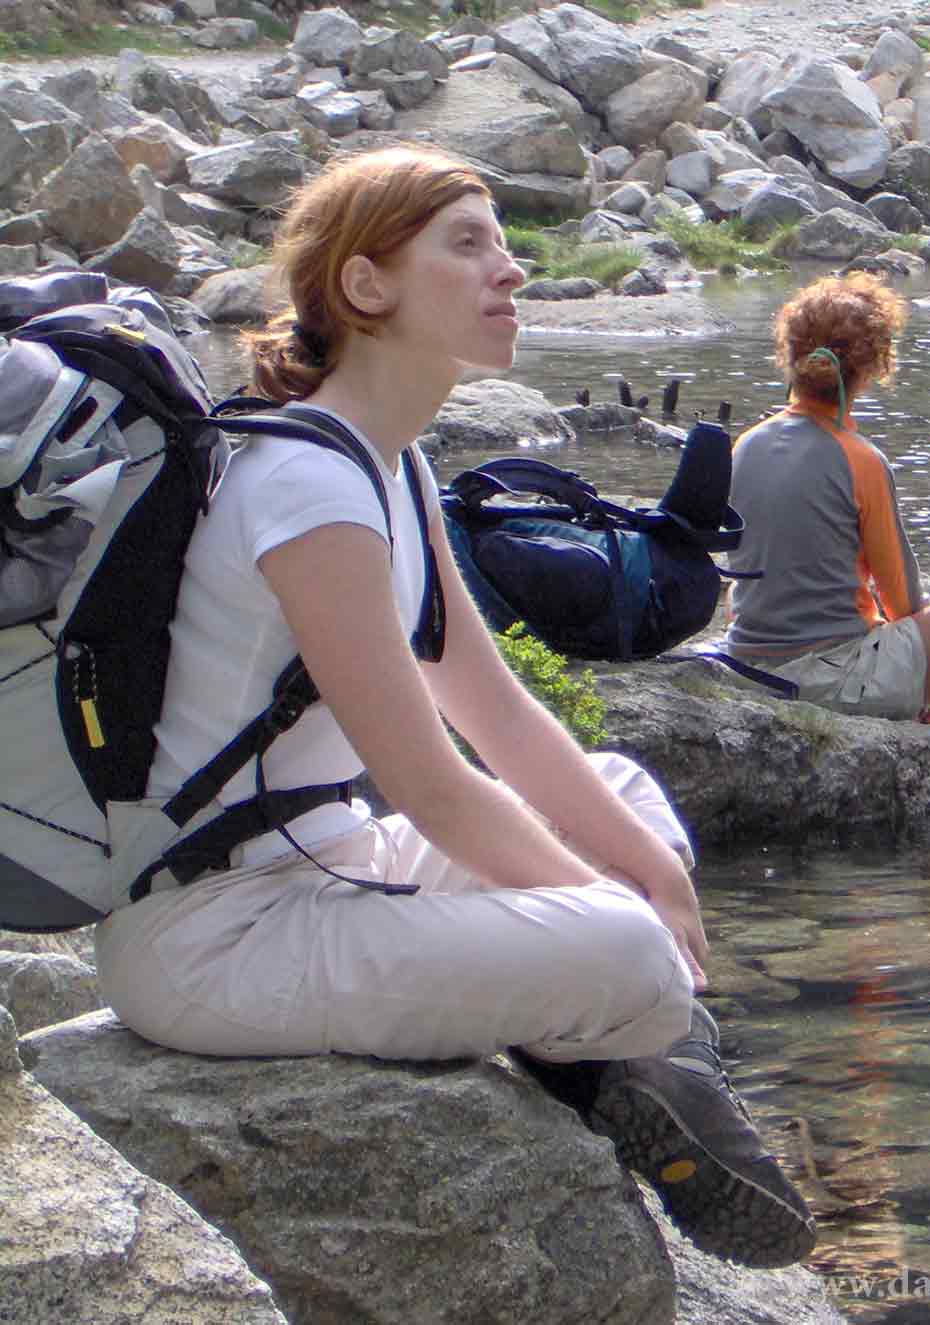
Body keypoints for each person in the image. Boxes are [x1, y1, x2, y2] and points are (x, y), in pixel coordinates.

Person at [87, 147, 815, 1269]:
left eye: (504, 244)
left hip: (334, 869)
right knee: (625, 943)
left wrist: (652, 871)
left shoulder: (393, 465)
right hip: (215, 937)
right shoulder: (305, 485)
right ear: (365, 285)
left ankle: (624, 1057)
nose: (510, 270)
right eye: (468, 244)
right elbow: (428, 781)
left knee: (622, 793)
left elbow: (496, 710)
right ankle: (633, 1059)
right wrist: (611, 910)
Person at [723, 272, 930, 730]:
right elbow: (903, 603)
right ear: (873, 366)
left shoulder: (745, 445)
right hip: (832, 682)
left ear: (790, 354)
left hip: (746, 666)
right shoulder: (860, 459)